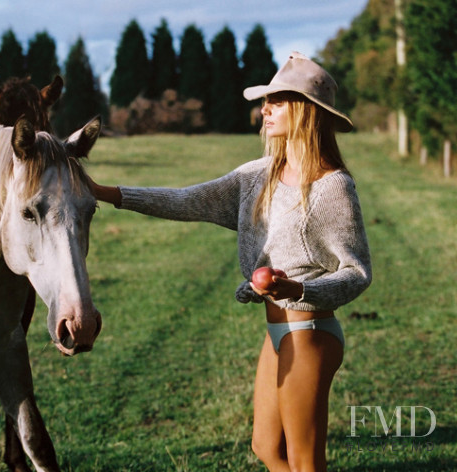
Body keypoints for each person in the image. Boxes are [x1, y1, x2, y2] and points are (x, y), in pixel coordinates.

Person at [91, 52, 371, 471]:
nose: (265, 109)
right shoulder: (256, 176)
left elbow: (357, 273)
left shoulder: (332, 187)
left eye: (277, 101)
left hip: (310, 333)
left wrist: (298, 289)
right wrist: (110, 193)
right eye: (266, 101)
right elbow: (187, 200)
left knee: (304, 461)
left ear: (305, 109)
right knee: (266, 449)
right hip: (276, 334)